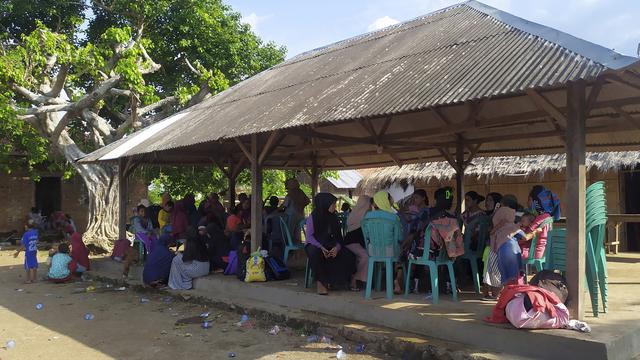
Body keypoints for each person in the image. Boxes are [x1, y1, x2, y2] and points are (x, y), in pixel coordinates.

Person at [305, 193, 356, 295]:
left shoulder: (334, 217)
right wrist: (321, 247)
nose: (335, 207)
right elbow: (309, 237)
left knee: (348, 255)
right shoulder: (313, 217)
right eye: (333, 204)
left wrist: (337, 248)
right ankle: (321, 283)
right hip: (315, 244)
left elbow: (338, 237)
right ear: (325, 204)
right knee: (315, 254)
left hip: (330, 243)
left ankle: (337, 281)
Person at [365, 191, 404, 293]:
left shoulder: (368, 216)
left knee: (393, 252)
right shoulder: (394, 217)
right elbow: (400, 237)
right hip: (390, 252)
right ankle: (397, 282)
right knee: (402, 255)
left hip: (372, 251)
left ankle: (378, 285)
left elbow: (368, 236)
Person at [484, 195, 521, 299]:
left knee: (496, 272)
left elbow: (492, 231)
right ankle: (504, 294)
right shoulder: (517, 219)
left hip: (497, 249)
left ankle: (495, 294)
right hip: (512, 249)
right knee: (507, 273)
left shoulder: (500, 217)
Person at [519, 186, 558, 260]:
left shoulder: (541, 217)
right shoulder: (547, 216)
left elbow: (526, 235)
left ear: (537, 202)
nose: (527, 203)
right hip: (543, 251)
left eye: (529, 200)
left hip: (535, 252)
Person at [343, 195, 372, 290]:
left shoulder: (355, 214)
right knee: (365, 256)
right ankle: (355, 279)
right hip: (352, 243)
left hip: (356, 243)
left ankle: (364, 280)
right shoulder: (365, 216)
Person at [14, 219, 39, 284]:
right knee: (34, 264)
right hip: (34, 250)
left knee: (28, 266)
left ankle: (28, 279)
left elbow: (23, 245)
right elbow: (36, 241)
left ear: (27, 226)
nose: (24, 227)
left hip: (28, 251)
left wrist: (17, 252)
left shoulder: (26, 234)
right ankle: (35, 279)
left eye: (25, 226)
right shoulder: (36, 232)